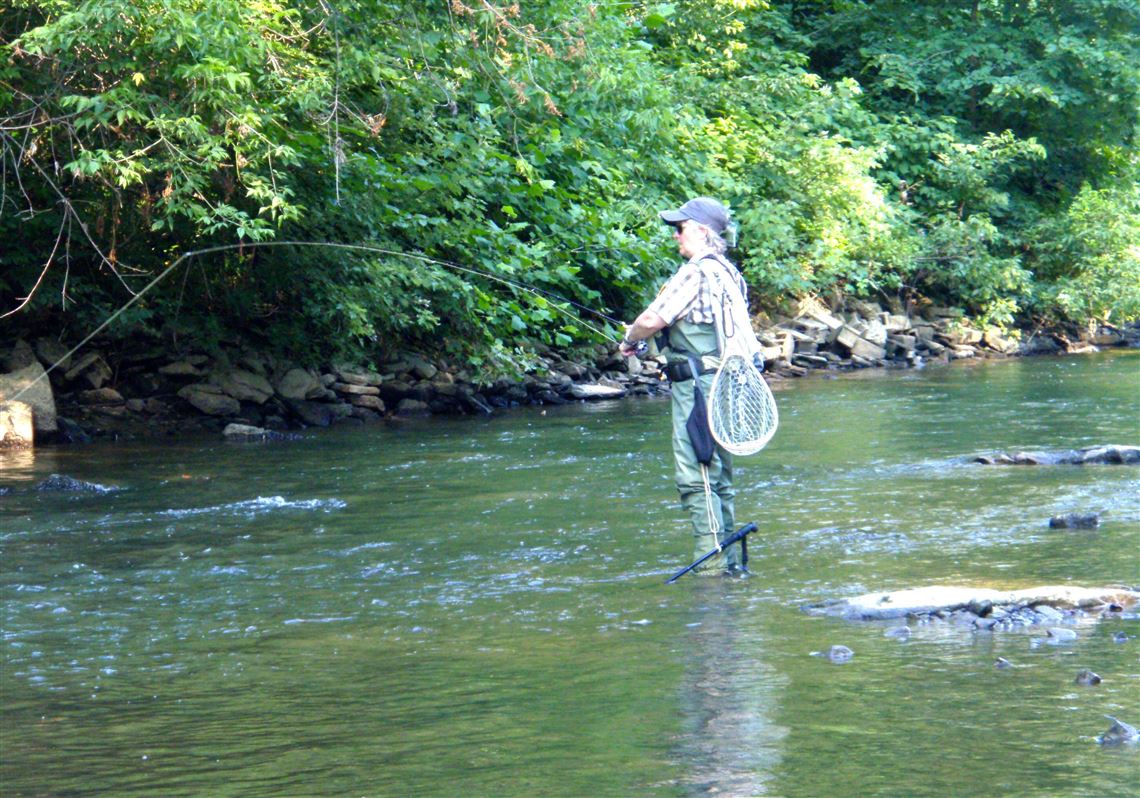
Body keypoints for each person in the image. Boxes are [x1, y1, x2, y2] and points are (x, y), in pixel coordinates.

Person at [619, 197, 749, 576]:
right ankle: (730, 563)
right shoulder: (730, 273)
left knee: (698, 474)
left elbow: (652, 317)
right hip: (725, 384)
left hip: (697, 389)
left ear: (702, 231)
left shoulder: (694, 273)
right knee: (719, 474)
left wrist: (630, 338)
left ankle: (711, 569)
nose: (675, 235)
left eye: (681, 227)